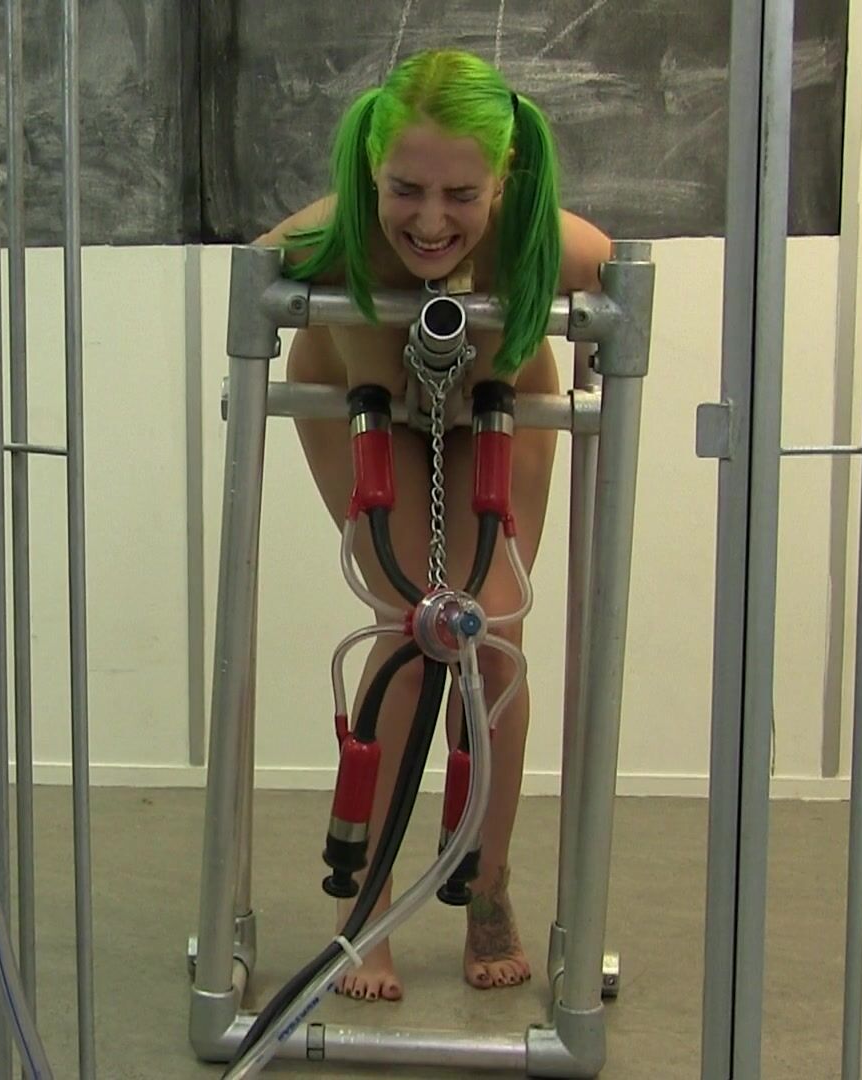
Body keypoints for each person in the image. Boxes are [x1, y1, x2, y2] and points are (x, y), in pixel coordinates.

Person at [254, 48, 612, 1002]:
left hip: (498, 405)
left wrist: (602, 363)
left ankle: (487, 886)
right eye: (404, 190)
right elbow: (256, 275)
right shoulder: (329, 235)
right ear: (372, 172)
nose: (429, 220)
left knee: (492, 637)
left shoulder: (549, 241)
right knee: (414, 631)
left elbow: (619, 286)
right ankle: (364, 905)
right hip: (361, 402)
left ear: (504, 179)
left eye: (462, 194)